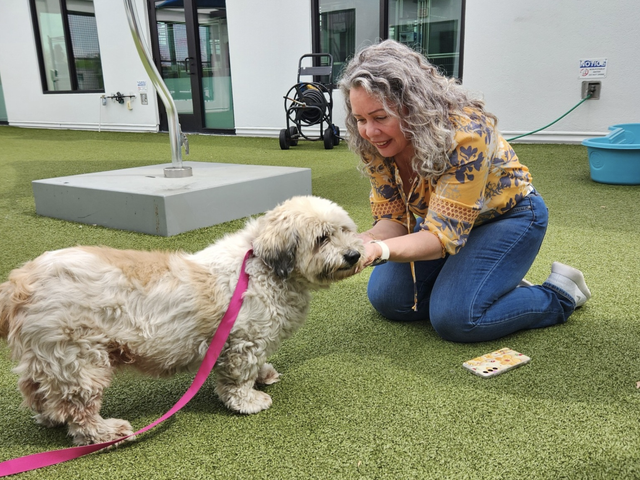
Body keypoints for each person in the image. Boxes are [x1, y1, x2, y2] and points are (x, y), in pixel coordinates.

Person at [338, 39, 591, 343]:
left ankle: (559, 294)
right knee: (390, 299)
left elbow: (442, 236)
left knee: (457, 319)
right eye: (360, 119)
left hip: (508, 217)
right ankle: (484, 282)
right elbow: (393, 221)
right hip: (439, 223)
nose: (368, 131)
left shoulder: (467, 133)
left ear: (413, 106)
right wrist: (356, 243)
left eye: (380, 117)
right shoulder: (374, 142)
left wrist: (378, 250)